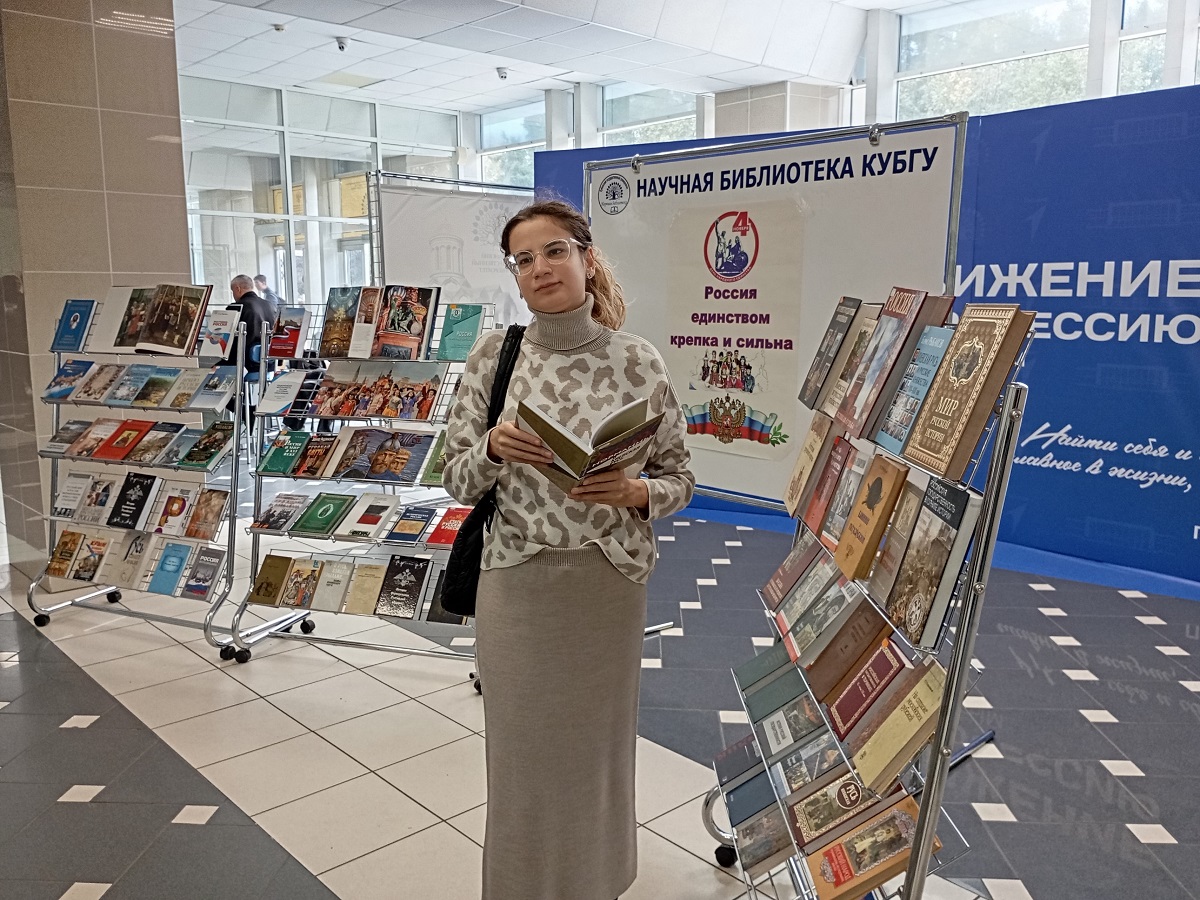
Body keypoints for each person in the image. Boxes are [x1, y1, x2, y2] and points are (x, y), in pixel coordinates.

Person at [442, 200, 695, 900]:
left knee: (597, 750)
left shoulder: (637, 360)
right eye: (523, 260)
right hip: (517, 582)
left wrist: (637, 492)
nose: (540, 268)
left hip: (607, 585)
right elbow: (455, 479)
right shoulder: (494, 357)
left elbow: (681, 477)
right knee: (521, 752)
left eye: (554, 251)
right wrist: (492, 450)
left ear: (586, 257)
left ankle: (596, 882)